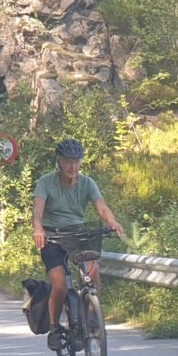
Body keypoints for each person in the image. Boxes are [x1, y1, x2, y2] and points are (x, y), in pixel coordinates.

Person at [32, 139, 124, 336]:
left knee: (93, 271)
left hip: (78, 235)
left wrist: (112, 222)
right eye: (68, 161)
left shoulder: (88, 183)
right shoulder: (45, 182)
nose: (72, 166)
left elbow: (102, 208)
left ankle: (92, 314)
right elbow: (37, 212)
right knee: (60, 286)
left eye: (76, 162)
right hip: (52, 237)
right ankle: (55, 327)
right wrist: (38, 229)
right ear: (59, 161)